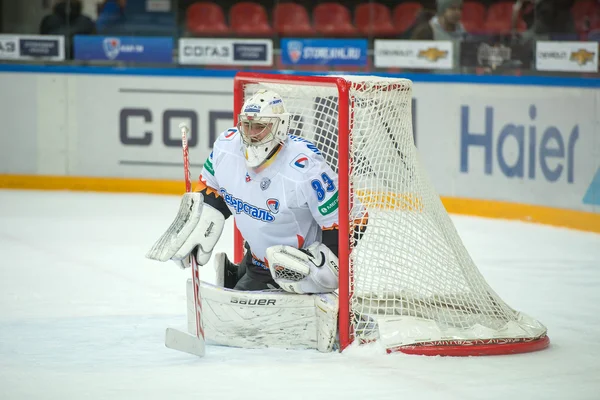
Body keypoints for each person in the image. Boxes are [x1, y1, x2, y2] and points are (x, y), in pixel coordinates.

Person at [148, 90, 341, 295]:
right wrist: (198, 223)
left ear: (280, 126)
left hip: (297, 272)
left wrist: (328, 262)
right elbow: (212, 189)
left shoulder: (305, 167)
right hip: (257, 261)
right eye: (247, 125)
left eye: (260, 126)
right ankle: (241, 272)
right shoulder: (226, 147)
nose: (252, 134)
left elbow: (350, 219)